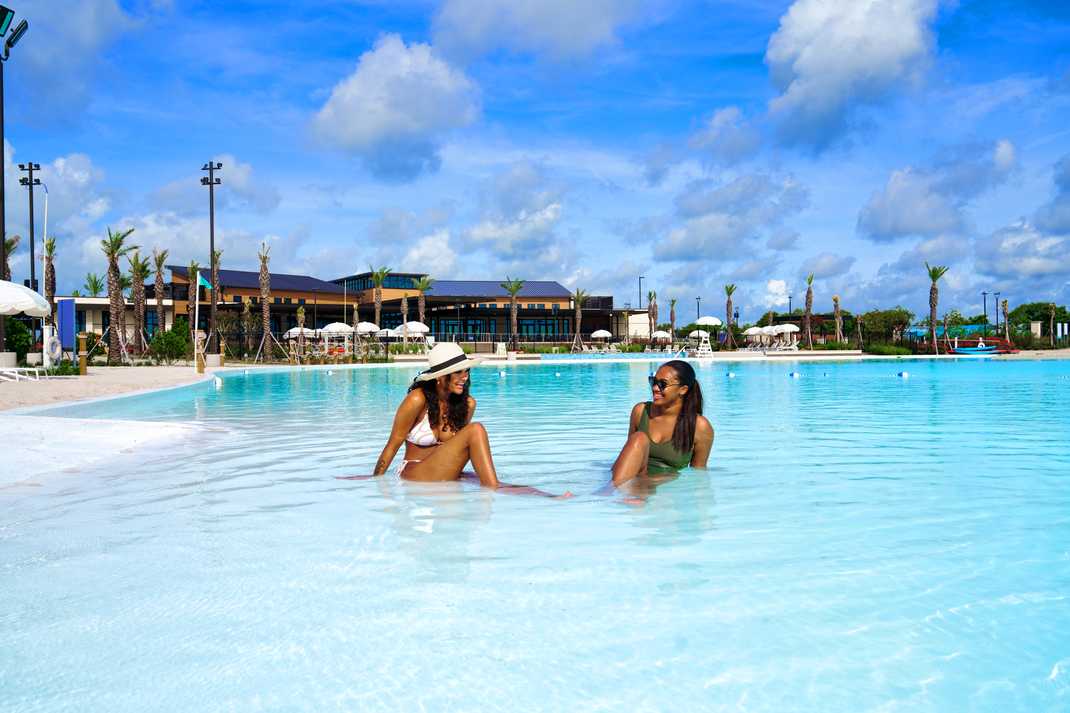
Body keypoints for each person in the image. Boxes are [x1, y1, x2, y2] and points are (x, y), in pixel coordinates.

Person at [368, 342, 567, 497]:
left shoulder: (467, 404)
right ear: (440, 376)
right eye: (458, 371)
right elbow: (392, 445)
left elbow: (457, 449)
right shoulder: (417, 399)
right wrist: (375, 483)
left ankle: (546, 496)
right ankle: (494, 488)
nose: (465, 376)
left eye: (467, 371)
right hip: (414, 473)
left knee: (487, 480)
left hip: (443, 471)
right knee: (476, 431)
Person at [610, 360, 714, 491]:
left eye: (662, 384)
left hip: (663, 488)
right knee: (639, 438)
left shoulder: (700, 427)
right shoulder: (640, 411)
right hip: (628, 479)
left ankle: (611, 495)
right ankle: (609, 492)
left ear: (683, 390)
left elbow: (698, 475)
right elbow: (628, 455)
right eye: (653, 381)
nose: (654, 388)